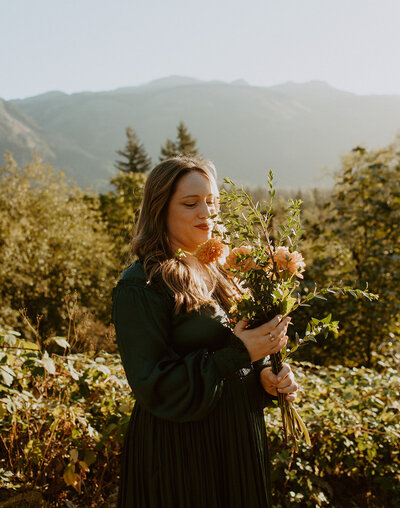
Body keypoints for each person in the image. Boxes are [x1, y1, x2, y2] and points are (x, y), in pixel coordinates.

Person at [112, 156, 299, 508]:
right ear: (159, 210)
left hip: (237, 442)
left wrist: (263, 378)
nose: (206, 212)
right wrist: (240, 354)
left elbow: (236, 354)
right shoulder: (141, 285)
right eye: (190, 203)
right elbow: (155, 385)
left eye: (211, 202)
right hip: (180, 454)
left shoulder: (223, 272)